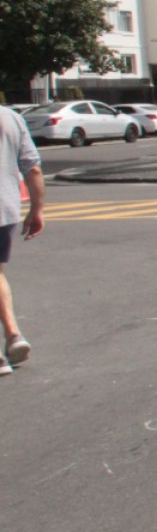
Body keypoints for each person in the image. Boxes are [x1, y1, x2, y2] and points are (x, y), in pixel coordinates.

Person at [1, 102, 45, 374]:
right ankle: (13, 334)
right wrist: (37, 210)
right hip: (5, 211)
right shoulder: (11, 118)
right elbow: (33, 168)